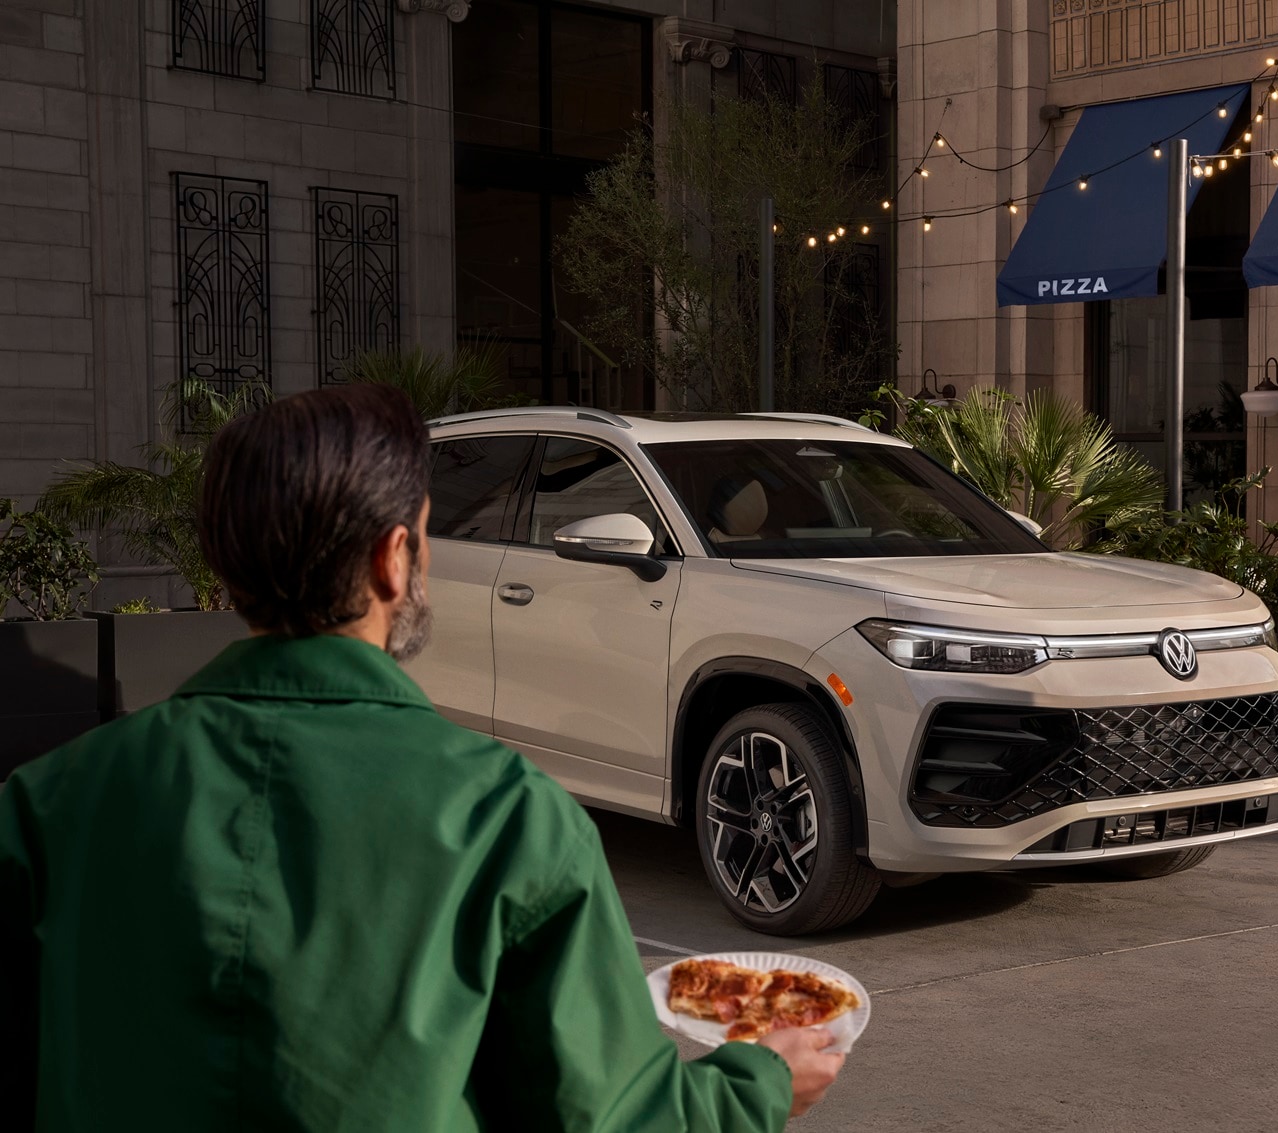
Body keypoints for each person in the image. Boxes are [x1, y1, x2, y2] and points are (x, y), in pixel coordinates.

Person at [0, 385, 844, 1129]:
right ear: (391, 559)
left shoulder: (49, 802)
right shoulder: (507, 817)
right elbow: (615, 1115)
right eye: (429, 537)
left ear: (224, 564)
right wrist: (763, 1078)